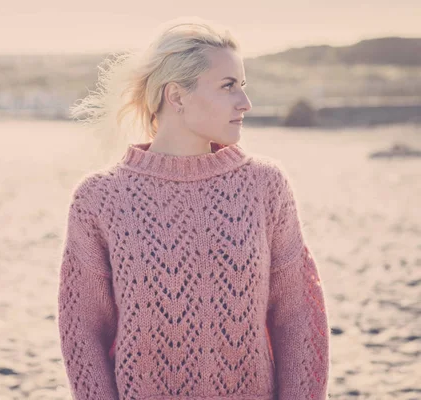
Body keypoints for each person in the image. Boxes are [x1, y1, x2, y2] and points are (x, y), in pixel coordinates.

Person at [57, 16, 330, 400]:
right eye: (228, 86)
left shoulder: (265, 186)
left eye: (244, 86)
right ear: (177, 96)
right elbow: (83, 331)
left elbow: (298, 316)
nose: (246, 103)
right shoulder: (100, 199)